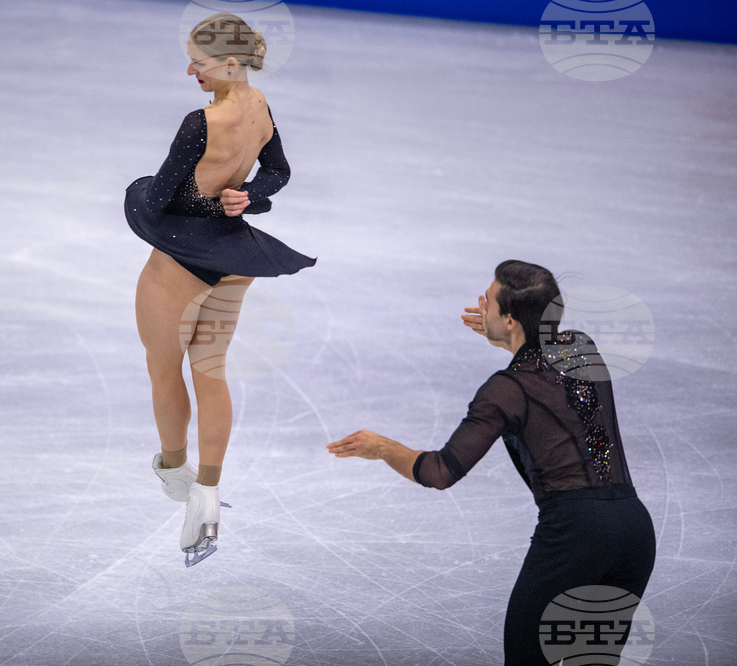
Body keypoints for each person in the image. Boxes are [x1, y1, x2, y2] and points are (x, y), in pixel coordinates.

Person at [327, 260, 656, 665]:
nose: (480, 303)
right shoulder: (580, 346)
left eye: (490, 301)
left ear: (512, 319)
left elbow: (439, 471)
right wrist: (506, 336)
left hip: (576, 538)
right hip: (635, 534)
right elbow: (542, 353)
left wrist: (383, 448)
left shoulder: (505, 391)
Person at [126, 13, 316, 567]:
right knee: (210, 370)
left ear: (229, 62)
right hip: (234, 260)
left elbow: (163, 199)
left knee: (164, 369)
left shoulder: (200, 122)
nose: (191, 71)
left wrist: (138, 194)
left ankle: (171, 470)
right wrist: (248, 197)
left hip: (184, 263)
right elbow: (276, 173)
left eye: (200, 63)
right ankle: (206, 491)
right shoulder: (259, 107)